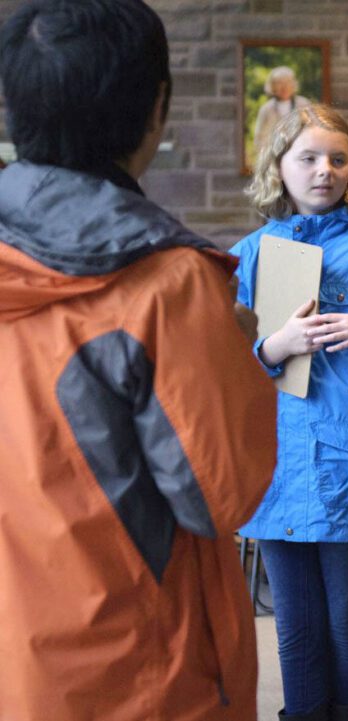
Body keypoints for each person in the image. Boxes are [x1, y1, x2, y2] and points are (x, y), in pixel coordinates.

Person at [0, 1, 278, 719]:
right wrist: (235, 352)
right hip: (136, 670)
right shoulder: (168, 286)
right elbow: (223, 492)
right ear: (156, 108)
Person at [231, 104, 348, 721]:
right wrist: (274, 348)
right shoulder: (249, 253)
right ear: (279, 165)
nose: (324, 171)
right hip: (275, 461)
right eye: (307, 158)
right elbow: (219, 367)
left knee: (344, 617)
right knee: (294, 623)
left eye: (338, 158)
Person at [254, 66, 313, 163]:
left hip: (302, 157)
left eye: (287, 82)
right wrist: (266, 158)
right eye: (279, 83)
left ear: (293, 84)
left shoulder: (304, 104)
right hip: (274, 158)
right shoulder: (266, 109)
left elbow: (313, 130)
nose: (284, 87)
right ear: (272, 86)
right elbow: (259, 138)